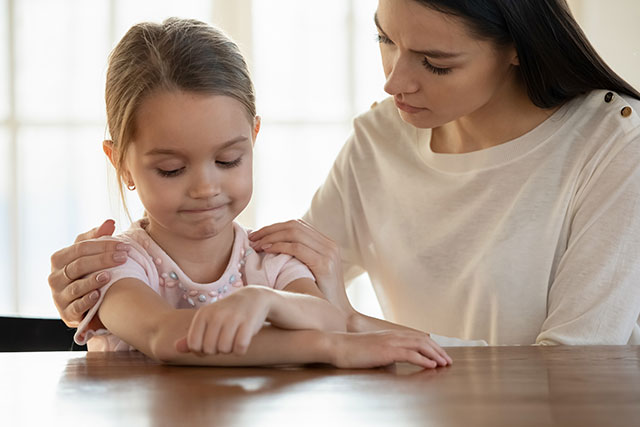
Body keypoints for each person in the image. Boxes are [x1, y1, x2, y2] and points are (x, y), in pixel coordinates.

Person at [50, 0, 640, 346]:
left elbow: (576, 365)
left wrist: (355, 331)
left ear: (519, 47)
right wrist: (107, 283)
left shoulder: (616, 145)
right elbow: (262, 286)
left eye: (435, 63)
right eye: (385, 39)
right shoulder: (383, 135)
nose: (393, 81)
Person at [54, 17, 451, 368]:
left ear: (253, 138)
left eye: (228, 160)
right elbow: (165, 336)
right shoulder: (116, 264)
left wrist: (268, 301)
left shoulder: (270, 260)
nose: (205, 188)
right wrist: (329, 348)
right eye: (171, 169)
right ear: (122, 163)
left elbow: (331, 318)